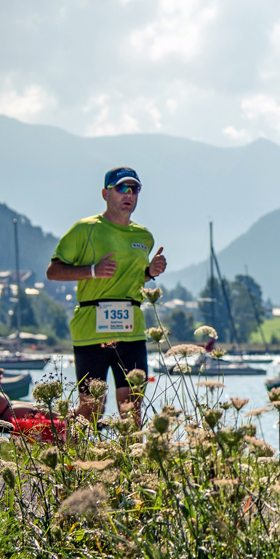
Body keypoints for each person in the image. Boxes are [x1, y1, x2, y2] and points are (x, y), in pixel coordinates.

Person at [46, 167, 166, 424]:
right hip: (92, 329)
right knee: (91, 408)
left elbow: (131, 277)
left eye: (134, 189)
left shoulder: (144, 237)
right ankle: (76, 463)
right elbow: (53, 271)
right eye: (121, 188)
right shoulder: (84, 230)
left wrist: (150, 272)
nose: (129, 194)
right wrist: (93, 270)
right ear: (105, 194)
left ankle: (130, 463)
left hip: (131, 330)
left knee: (131, 407)